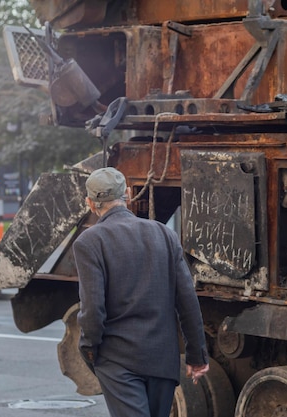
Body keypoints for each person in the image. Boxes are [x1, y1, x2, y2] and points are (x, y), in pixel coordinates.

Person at [72, 167, 209, 417]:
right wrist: (196, 354)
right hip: (162, 361)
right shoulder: (164, 234)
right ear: (126, 194)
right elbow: (187, 300)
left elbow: (93, 308)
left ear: (90, 203)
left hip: (118, 361)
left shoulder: (89, 242)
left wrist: (88, 347)